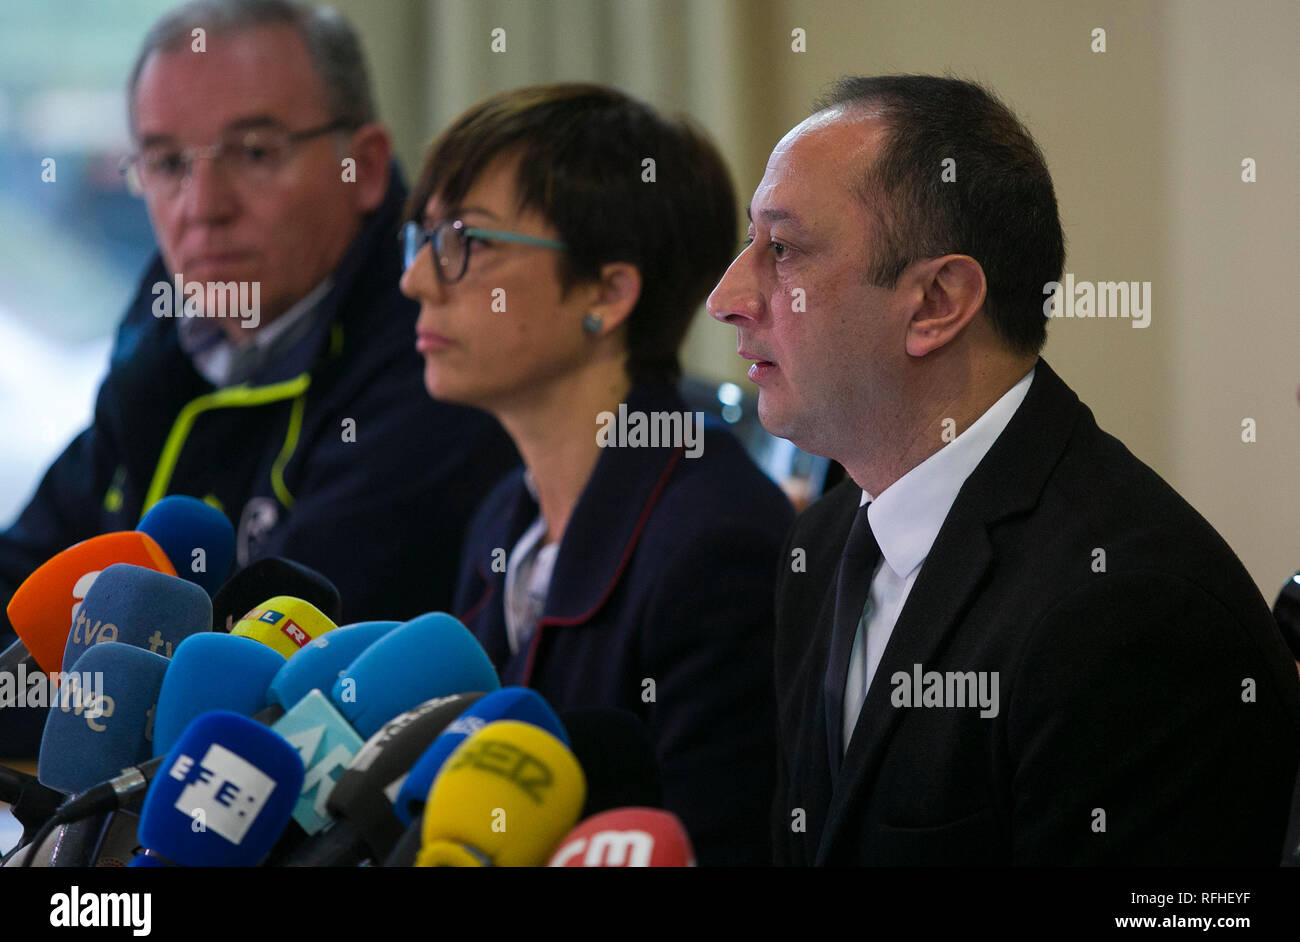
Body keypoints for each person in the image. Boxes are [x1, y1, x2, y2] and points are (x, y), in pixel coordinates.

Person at [706, 74, 1300, 865]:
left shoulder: (1129, 609)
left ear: (936, 302)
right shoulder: (819, 546)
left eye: (781, 249)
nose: (728, 296)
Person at [0, 0, 518, 746]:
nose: (202, 209)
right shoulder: (168, 334)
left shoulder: (435, 360)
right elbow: (36, 569)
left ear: (365, 167)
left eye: (253, 153)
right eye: (168, 163)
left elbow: (261, 676)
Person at [399, 83, 794, 865]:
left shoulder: (717, 544)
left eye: (465, 240)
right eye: (421, 238)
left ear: (607, 293)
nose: (417, 279)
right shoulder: (500, 522)